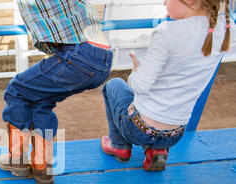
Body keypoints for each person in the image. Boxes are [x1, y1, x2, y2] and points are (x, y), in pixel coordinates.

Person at [100, 0, 234, 171]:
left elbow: (139, 86)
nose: (164, 3)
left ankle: (119, 146)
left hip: (138, 129)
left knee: (114, 84)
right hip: (175, 134)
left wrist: (135, 71)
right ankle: (157, 151)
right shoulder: (224, 27)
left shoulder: (167, 32)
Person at [0, 0, 113, 184]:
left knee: (16, 90)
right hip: (101, 56)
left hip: (80, 54)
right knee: (41, 99)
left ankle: (16, 158)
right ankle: (42, 168)